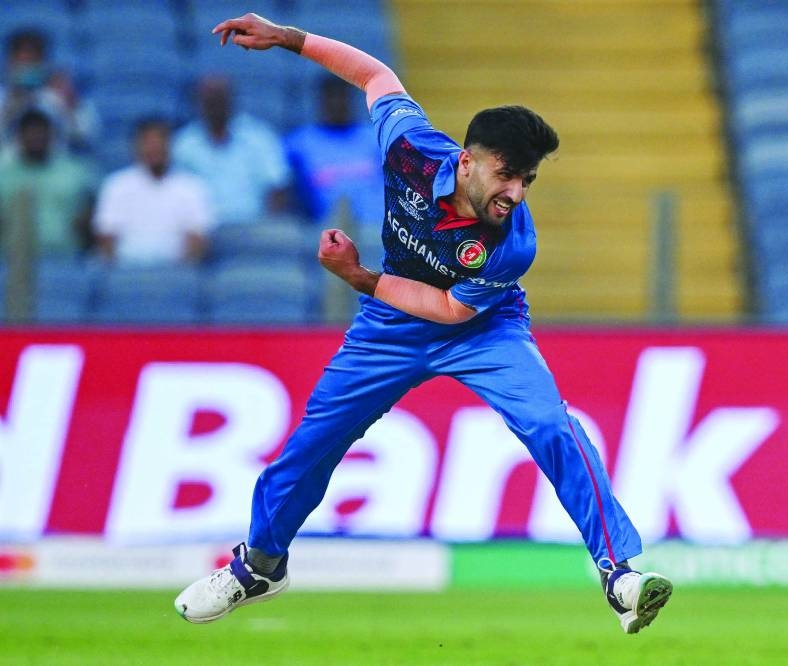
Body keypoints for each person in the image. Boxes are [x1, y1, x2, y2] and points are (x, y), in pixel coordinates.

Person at [174, 12, 672, 635]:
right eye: (506, 173)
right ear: (466, 161)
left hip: (482, 326)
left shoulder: (512, 244)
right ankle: (262, 566)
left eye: (527, 179)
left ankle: (619, 573)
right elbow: (374, 74)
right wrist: (289, 38)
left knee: (551, 425)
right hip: (390, 324)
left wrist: (360, 278)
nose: (515, 193)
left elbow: (450, 310)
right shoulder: (409, 148)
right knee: (311, 446)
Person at [284, 75, 383, 262]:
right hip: (325, 235)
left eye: (342, 97)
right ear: (321, 102)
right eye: (331, 97)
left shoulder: (376, 138)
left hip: (377, 234)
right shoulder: (299, 142)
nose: (337, 103)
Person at [172, 75, 290, 226]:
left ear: (232, 99)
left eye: (220, 99)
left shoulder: (260, 138)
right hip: (201, 229)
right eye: (210, 100)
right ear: (198, 102)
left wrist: (269, 225)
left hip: (252, 228)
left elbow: (277, 188)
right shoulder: (184, 144)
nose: (215, 106)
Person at [93, 118, 214, 265]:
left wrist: (181, 276)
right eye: (147, 142)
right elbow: (106, 238)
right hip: (127, 274)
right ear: (135, 147)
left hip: (176, 274)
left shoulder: (191, 187)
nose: (154, 147)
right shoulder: (117, 185)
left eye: (160, 141)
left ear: (170, 145)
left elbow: (197, 240)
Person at [0, 109, 95, 257]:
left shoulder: (76, 172)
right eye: (30, 132)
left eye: (40, 132)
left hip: (66, 258)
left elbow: (93, 211)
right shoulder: (3, 175)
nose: (35, 137)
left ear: (51, 134)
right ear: (18, 136)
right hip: (12, 260)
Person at [0, 29, 99, 154]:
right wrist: (9, 107)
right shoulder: (3, 97)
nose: (27, 67)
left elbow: (86, 135)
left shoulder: (59, 94)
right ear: (9, 63)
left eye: (33, 60)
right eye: (22, 61)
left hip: (54, 167)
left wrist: (70, 104)